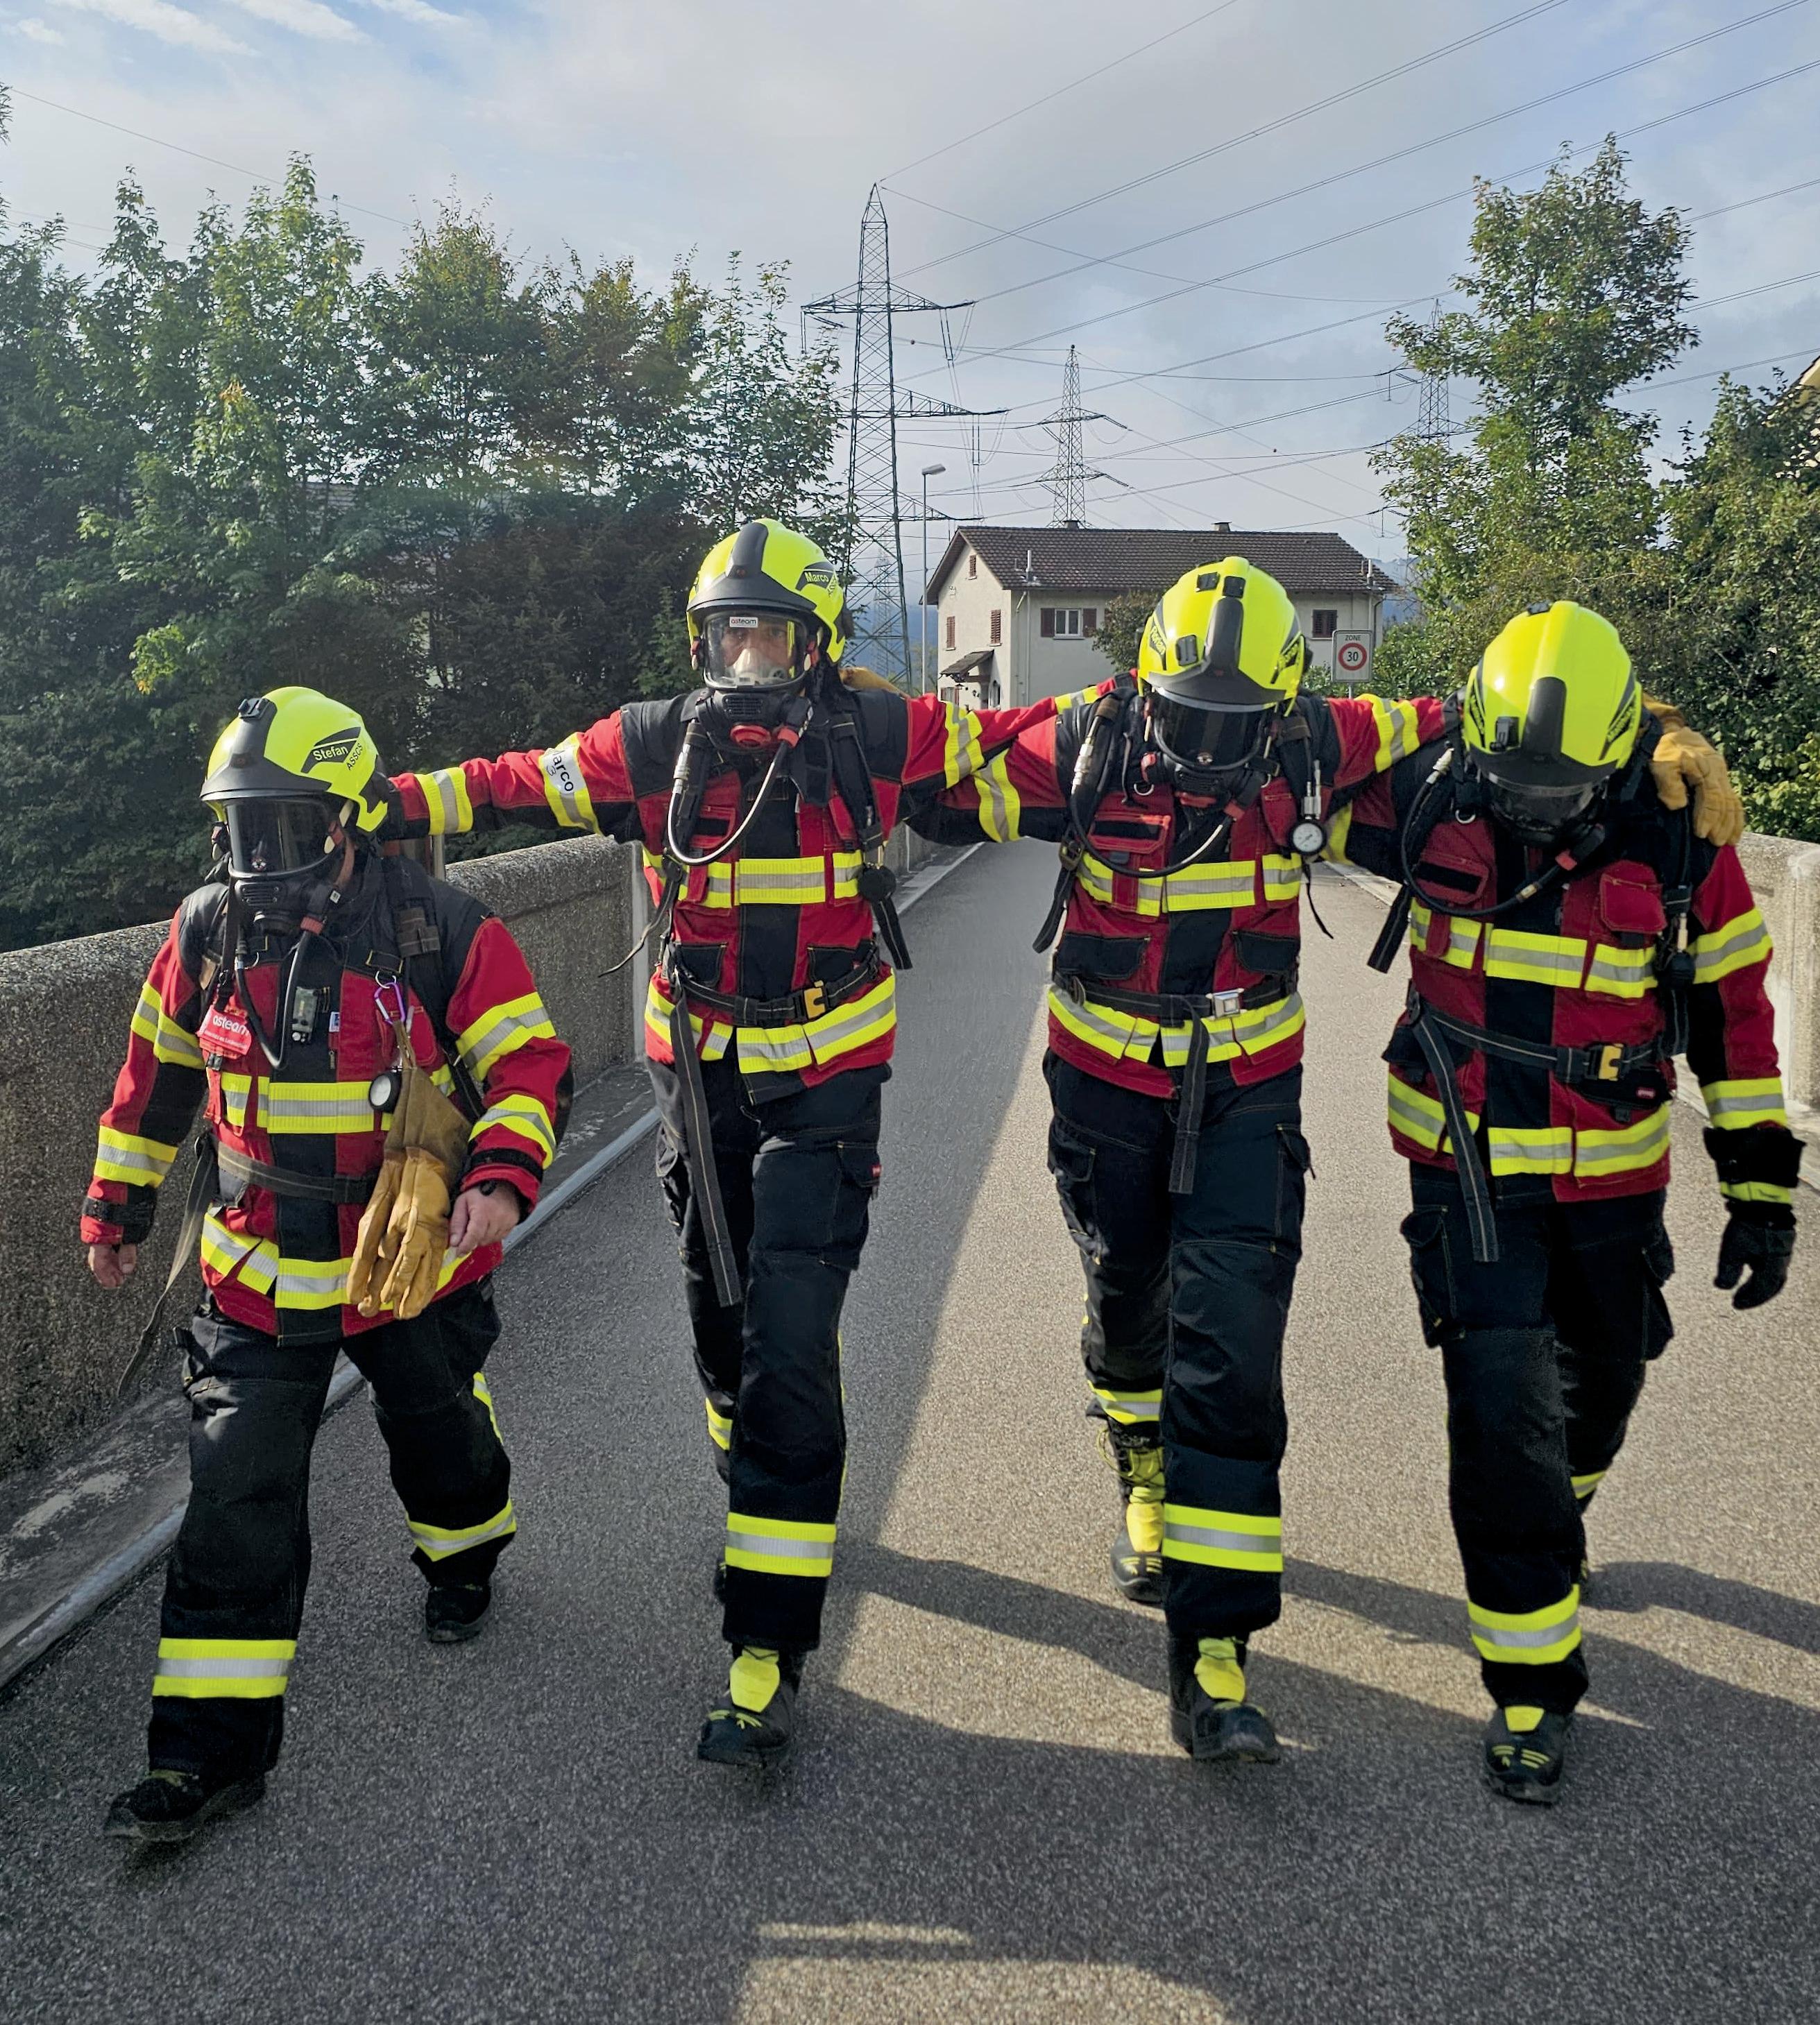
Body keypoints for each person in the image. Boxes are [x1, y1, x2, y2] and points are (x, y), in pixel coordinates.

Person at [908, 558, 1738, 1766]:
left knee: (1232, 1359)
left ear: (1288, 702)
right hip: (1105, 1099)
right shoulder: (1088, 745)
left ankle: (1215, 1656)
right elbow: (936, 764)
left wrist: (1661, 746)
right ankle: (1140, 1465)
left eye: (1239, 724)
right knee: (1129, 1313)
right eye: (1191, 716)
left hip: (1248, 1099)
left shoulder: (1315, 739)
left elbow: (1477, 715)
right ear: (1149, 685)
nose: (1212, 745)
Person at [389, 519, 1062, 1770]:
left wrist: (1147, 710)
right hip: (697, 1080)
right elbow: (513, 783)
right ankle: (750, 1447)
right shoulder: (652, 744)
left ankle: (765, 1650)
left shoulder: (875, 729)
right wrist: (383, 804)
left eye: (762, 630)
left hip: (828, 1075)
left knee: (792, 1341)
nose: (740, 653)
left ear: (814, 642)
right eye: (721, 631)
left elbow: (1014, 747)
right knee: (720, 1309)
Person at [85, 687, 571, 1845]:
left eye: (288, 831)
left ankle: (466, 1555)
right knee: (233, 1495)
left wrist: (501, 1176)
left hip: (406, 1267)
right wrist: (119, 1202)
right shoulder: (206, 933)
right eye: (242, 831)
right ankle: (203, 1762)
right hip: (255, 1276)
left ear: (350, 820)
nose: (261, 859)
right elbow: (154, 1076)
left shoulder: (442, 930)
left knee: (440, 1437)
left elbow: (528, 1064)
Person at [1337, 599, 1794, 1803]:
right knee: (1502, 1412)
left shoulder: (1679, 834)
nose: (1536, 809)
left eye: (1564, 789)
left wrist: (1759, 1185)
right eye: (1515, 783)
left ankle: (1561, 1502)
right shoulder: (1430, 794)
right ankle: (1531, 1683)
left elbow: (1732, 1015)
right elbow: (1293, 770)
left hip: (1611, 1172)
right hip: (1468, 1167)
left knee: (1607, 1371)